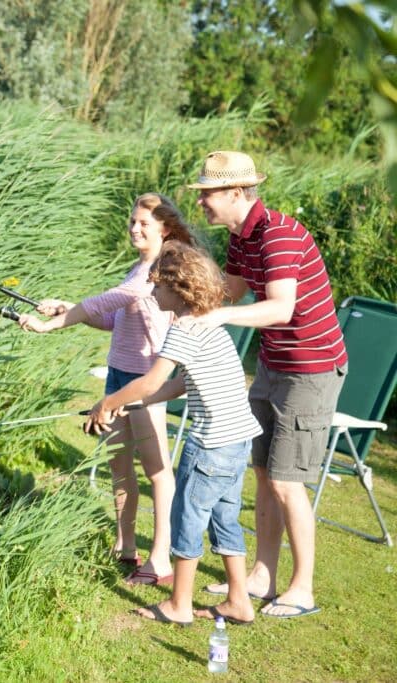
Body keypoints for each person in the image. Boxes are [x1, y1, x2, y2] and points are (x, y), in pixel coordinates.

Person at [185, 151, 347, 619]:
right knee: (262, 471)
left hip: (312, 368)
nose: (201, 203)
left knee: (286, 480)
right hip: (275, 363)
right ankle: (263, 574)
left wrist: (219, 315)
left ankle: (303, 588)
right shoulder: (242, 237)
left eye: (207, 195)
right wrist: (180, 296)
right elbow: (231, 290)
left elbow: (279, 309)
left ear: (236, 193)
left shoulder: (277, 234)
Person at [18, 193, 193, 585]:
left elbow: (113, 298)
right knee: (119, 467)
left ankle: (160, 556)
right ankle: (125, 546)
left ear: (164, 229)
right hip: (117, 375)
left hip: (145, 382)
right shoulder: (138, 266)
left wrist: (52, 326)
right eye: (132, 221)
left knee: (156, 470)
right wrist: (70, 310)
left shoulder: (162, 267)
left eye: (144, 223)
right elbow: (115, 317)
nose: (134, 228)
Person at [85, 241, 263, 626]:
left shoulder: (182, 328)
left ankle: (179, 605)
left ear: (179, 288)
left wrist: (108, 402)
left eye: (158, 286)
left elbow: (151, 381)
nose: (152, 292)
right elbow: (181, 384)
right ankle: (238, 600)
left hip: (210, 443)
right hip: (237, 441)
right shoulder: (208, 323)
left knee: (187, 518)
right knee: (224, 519)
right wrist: (130, 405)